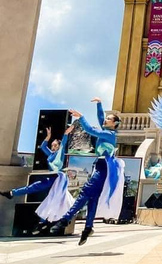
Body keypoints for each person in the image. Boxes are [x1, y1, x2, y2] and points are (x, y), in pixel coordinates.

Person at [49, 98, 124, 245]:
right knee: (93, 198)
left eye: (109, 119)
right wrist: (99, 104)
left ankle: (66, 219)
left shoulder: (109, 135)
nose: (105, 120)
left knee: (85, 192)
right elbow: (101, 117)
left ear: (114, 123)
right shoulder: (107, 131)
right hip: (101, 165)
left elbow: (90, 130)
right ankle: (88, 227)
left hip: (104, 166)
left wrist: (81, 117)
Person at [1, 125, 75, 233]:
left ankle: (46, 221)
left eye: (54, 145)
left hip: (57, 178)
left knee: (46, 194)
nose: (53, 147)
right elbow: (43, 146)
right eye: (52, 145)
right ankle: (13, 194)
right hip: (52, 178)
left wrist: (66, 134)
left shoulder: (60, 154)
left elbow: (63, 144)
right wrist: (48, 137)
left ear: (58, 146)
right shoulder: (51, 154)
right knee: (49, 198)